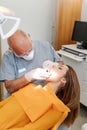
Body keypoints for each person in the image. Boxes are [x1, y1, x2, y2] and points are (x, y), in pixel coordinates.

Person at [0, 61, 80, 130]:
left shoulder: (57, 108)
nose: (53, 65)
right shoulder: (31, 87)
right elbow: (4, 104)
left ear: (63, 80)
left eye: (59, 68)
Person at [0, 29, 63, 96]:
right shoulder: (8, 57)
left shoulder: (45, 46)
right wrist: (28, 77)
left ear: (29, 36)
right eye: (22, 55)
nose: (28, 55)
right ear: (11, 49)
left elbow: (61, 64)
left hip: (46, 94)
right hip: (22, 97)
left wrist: (54, 66)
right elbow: (10, 88)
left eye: (30, 50)